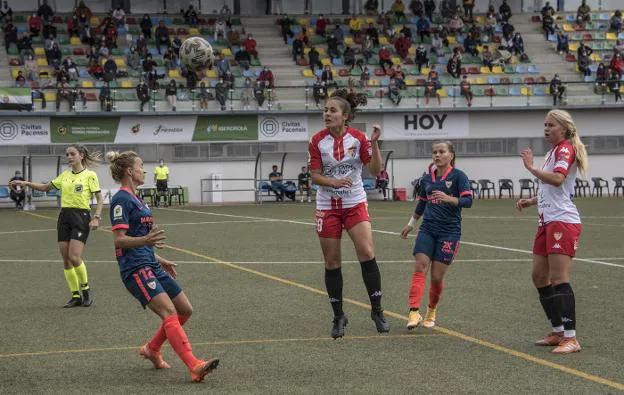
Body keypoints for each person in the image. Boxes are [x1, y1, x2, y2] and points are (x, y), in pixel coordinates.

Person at [106, 150, 219, 381]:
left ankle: (152, 349)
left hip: (150, 263)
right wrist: (146, 242)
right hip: (136, 269)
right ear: (130, 171)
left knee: (185, 310)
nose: (144, 169)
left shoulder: (137, 199)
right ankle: (194, 365)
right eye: (140, 166)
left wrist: (158, 258)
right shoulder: (121, 200)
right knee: (168, 312)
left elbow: (140, 239)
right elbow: (119, 240)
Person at [308, 88, 390, 339]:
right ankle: (338, 316)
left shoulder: (359, 139)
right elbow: (315, 175)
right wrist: (333, 183)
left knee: (366, 253)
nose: (327, 114)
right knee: (332, 263)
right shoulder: (317, 141)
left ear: (345, 115)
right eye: (325, 110)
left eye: (332, 110)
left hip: (354, 202)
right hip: (327, 206)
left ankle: (377, 311)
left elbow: (376, 170)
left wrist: (374, 143)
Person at [516, 109, 588, 354]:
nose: (546, 129)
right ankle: (558, 331)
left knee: (559, 279)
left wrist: (531, 168)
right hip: (547, 221)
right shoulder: (552, 152)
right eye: (545, 125)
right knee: (539, 277)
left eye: (551, 125)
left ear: (564, 129)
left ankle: (571, 337)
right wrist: (531, 200)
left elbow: (557, 179)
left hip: (562, 222)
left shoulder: (565, 149)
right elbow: (555, 189)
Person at [10, 145, 102, 307]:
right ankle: (75, 296)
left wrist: (96, 218)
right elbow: (46, 187)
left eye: (72, 154)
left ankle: (86, 291)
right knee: (66, 259)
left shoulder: (90, 175)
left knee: (74, 257)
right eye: (67, 154)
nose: (69, 157)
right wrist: (25, 183)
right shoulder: (64, 175)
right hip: (64, 217)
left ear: (81, 155)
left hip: (81, 216)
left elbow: (100, 199)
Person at [400, 141, 473, 329]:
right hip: (427, 230)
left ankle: (431, 311)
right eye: (434, 152)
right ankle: (413, 312)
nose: (437, 155)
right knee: (420, 267)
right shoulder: (426, 179)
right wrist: (411, 224)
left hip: (449, 232)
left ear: (451, 155)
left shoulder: (459, 177)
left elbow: (468, 200)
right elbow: (422, 204)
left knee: (436, 278)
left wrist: (450, 199)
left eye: (442, 152)